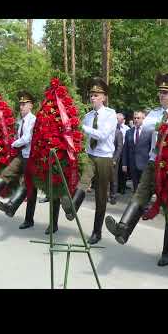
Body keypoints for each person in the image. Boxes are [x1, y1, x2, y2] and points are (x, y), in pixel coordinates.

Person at [105, 72, 168, 266]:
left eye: (166, 92)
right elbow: (145, 127)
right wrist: (160, 123)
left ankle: (167, 252)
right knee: (140, 194)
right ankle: (123, 229)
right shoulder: (155, 114)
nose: (162, 95)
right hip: (154, 162)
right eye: (160, 92)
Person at [60, 77, 117, 244]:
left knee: (100, 196)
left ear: (104, 97)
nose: (93, 97)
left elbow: (102, 135)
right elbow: (82, 137)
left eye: (96, 94)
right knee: (83, 181)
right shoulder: (88, 115)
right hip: (91, 155)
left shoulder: (110, 114)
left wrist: (83, 127)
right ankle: (72, 208)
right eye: (91, 94)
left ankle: (96, 232)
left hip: (104, 157)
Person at [0, 92, 42, 230]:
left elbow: (27, 138)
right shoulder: (20, 121)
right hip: (21, 155)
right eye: (20, 104)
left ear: (31, 105)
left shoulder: (33, 120)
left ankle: (27, 218)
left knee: (29, 188)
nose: (21, 107)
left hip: (31, 157)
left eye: (24, 104)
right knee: (7, 172)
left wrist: (12, 144)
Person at [122, 110, 151, 192]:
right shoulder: (129, 132)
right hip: (133, 164)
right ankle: (135, 203)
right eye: (134, 118)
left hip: (145, 164)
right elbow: (125, 149)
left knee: (144, 187)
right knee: (135, 187)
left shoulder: (149, 132)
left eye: (138, 118)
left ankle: (143, 204)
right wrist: (124, 164)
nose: (136, 120)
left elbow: (152, 148)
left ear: (143, 119)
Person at [109, 124, 124, 205]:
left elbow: (119, 147)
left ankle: (113, 196)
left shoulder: (118, 133)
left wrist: (115, 159)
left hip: (114, 159)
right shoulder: (106, 130)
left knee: (113, 178)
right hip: (105, 158)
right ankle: (105, 195)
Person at [116, 113, 130, 194]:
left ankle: (122, 187)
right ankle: (116, 187)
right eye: (116, 118)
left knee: (123, 170)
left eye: (118, 119)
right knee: (116, 171)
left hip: (124, 151)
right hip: (115, 151)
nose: (117, 120)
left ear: (122, 119)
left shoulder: (126, 128)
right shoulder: (112, 127)